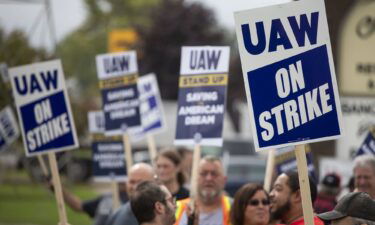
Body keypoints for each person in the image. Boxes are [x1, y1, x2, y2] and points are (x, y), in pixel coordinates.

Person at [56, 163, 154, 225]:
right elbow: (79, 206)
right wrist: (57, 188)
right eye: (131, 181)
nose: (135, 186)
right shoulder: (118, 211)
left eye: (140, 182)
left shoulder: (159, 212)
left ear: (154, 182)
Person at [174, 155, 232, 225]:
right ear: (195, 179)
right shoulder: (175, 209)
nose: (209, 178)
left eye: (214, 174)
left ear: (224, 180)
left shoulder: (236, 208)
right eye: (203, 174)